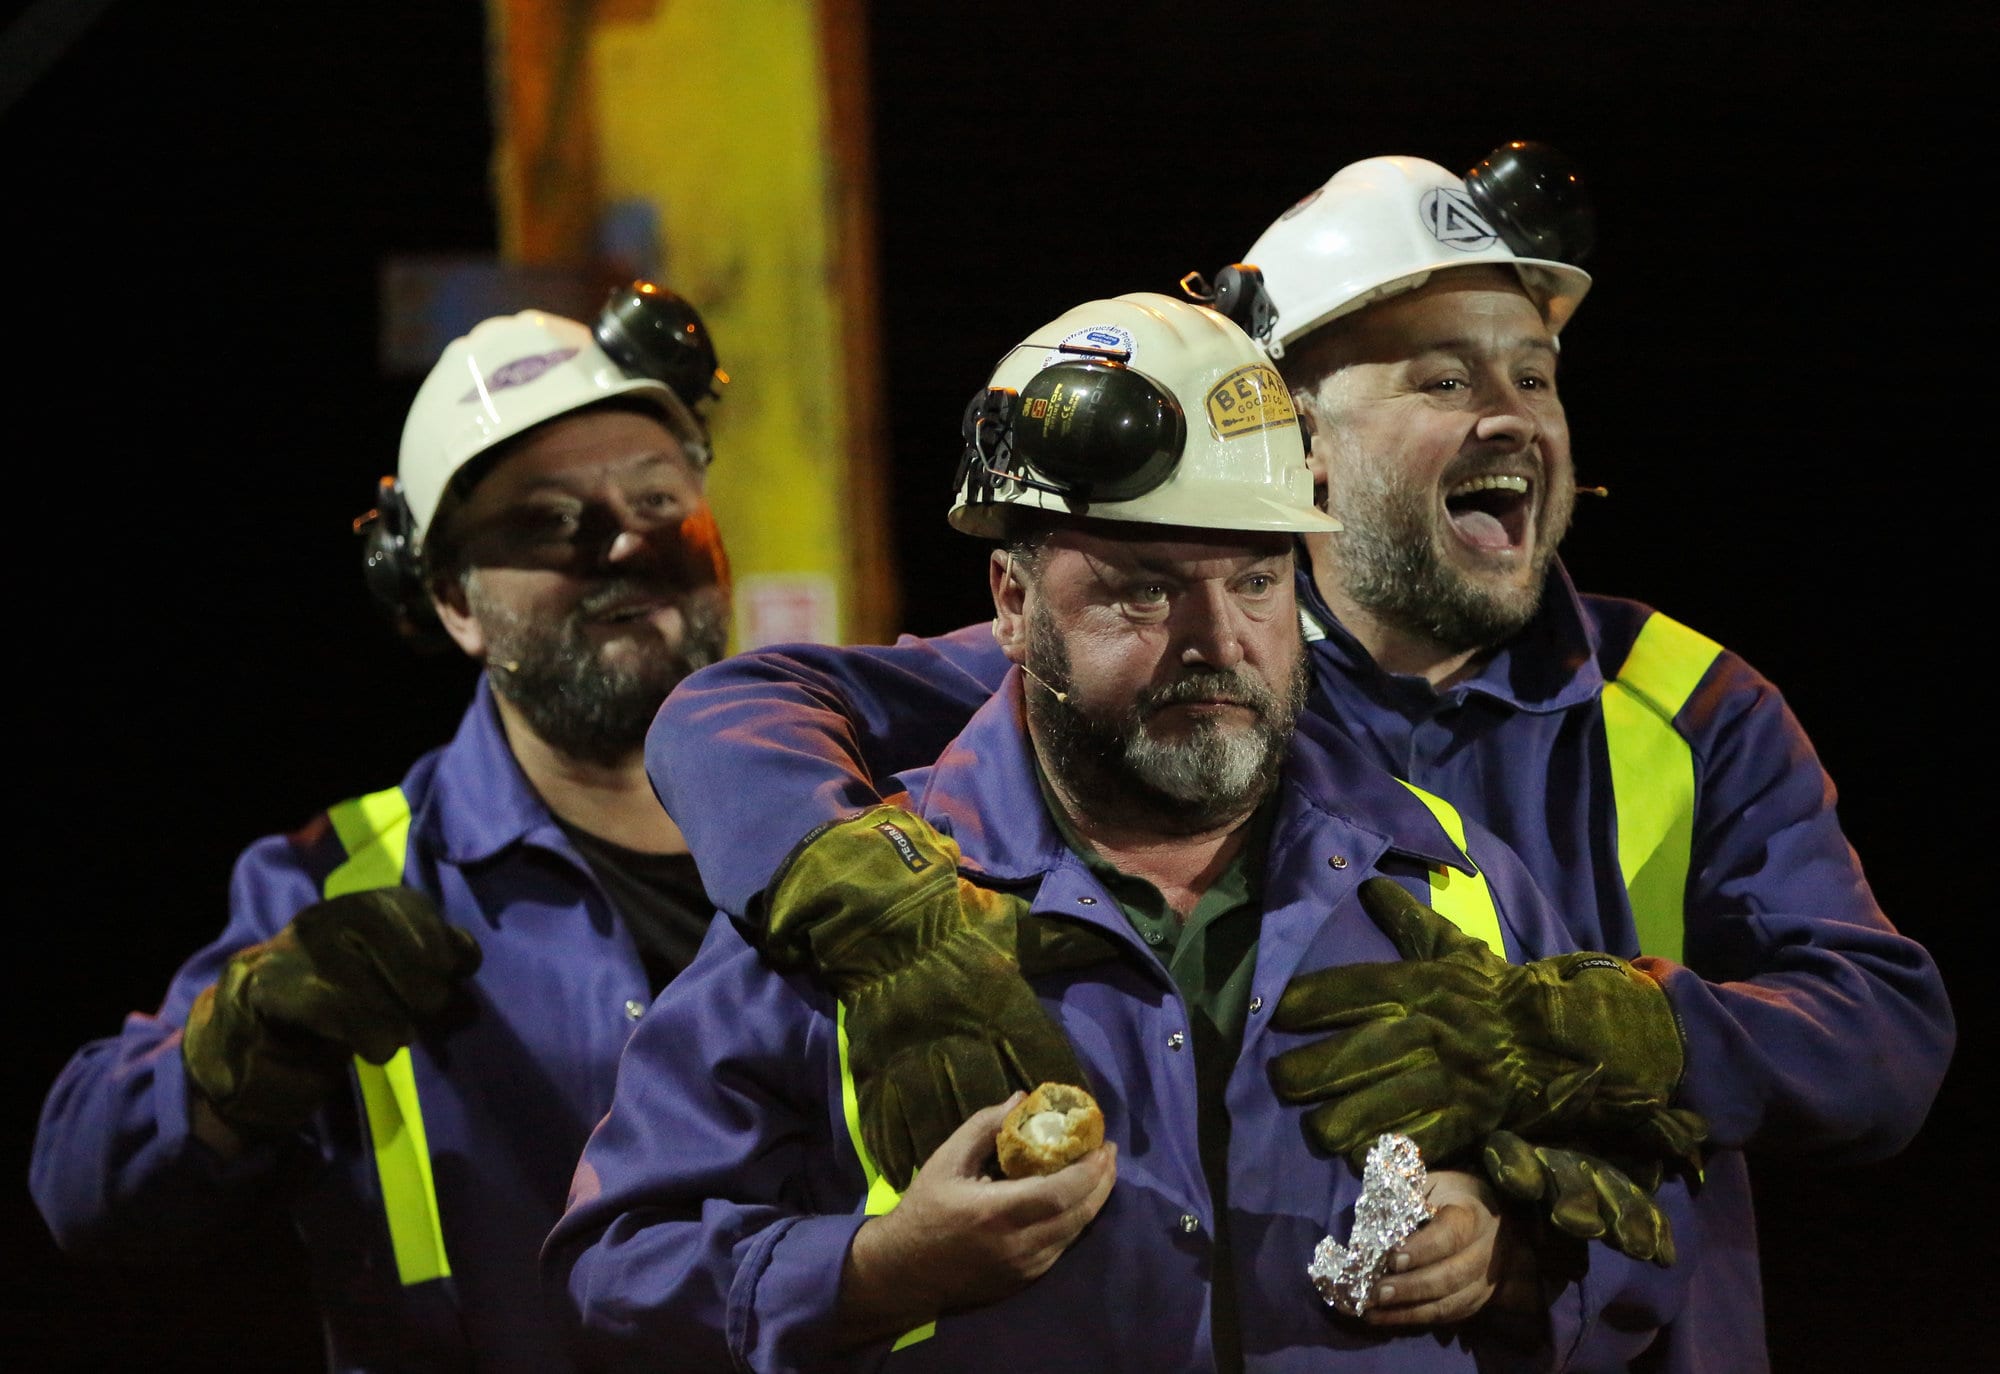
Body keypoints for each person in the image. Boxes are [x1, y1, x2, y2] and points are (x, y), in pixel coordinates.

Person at [643, 152, 1954, 1371]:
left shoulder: (1682, 707)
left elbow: (1885, 1040)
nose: (1512, 420)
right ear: (1299, 438)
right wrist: (874, 911)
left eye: (1535, 377)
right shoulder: (1178, 678)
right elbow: (733, 714)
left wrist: (1603, 1046)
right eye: (1444, 380)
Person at [548, 294, 1696, 1373]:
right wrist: (873, 1274)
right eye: (1140, 591)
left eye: (1254, 581)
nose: (1217, 640)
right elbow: (618, 1270)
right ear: (1009, 600)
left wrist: (1514, 1249)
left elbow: (1643, 1214)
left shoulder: (1451, 877)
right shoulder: (854, 912)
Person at [31, 285, 734, 1372]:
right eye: (547, 521)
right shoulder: (346, 884)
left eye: (656, 497)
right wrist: (240, 1048)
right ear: (451, 600)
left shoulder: (863, 824)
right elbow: (86, 1186)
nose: (624, 548)